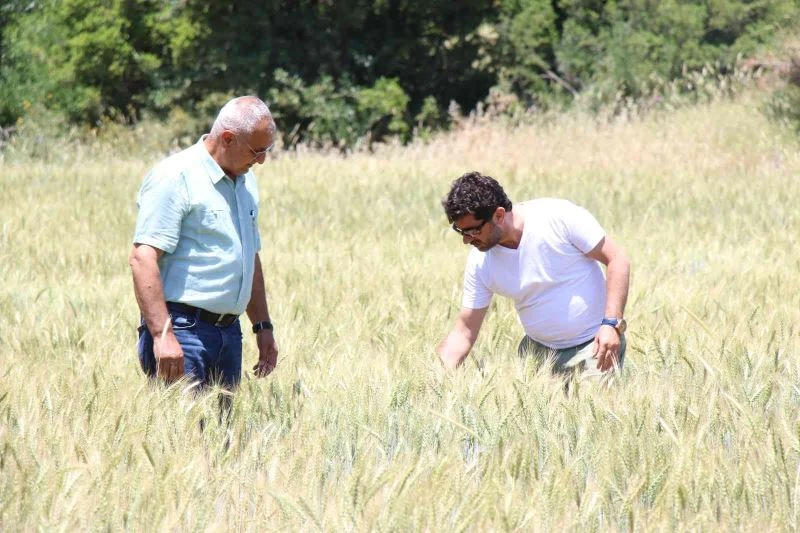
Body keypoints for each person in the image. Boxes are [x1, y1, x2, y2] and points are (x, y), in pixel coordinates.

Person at [129, 95, 279, 390]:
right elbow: (142, 258)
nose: (261, 160)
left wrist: (262, 325)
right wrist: (161, 334)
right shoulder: (175, 176)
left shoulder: (246, 182)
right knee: (178, 435)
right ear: (227, 138)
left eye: (267, 150)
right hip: (183, 332)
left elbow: (249, 256)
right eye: (257, 151)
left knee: (222, 435)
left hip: (229, 333)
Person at [437, 171, 630, 381]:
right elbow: (464, 332)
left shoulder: (558, 217)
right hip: (537, 358)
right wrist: (434, 381)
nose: (466, 240)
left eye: (473, 231)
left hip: (595, 346)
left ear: (499, 215)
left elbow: (617, 260)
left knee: (597, 412)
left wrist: (611, 325)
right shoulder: (480, 262)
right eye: (460, 231)